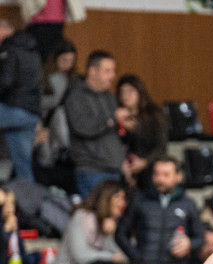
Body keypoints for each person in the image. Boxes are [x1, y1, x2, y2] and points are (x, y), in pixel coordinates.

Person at [114, 156, 202, 264]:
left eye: (166, 174)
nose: (160, 179)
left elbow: (200, 237)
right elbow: (120, 234)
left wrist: (189, 244)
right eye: (157, 174)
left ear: (178, 176)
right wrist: (136, 257)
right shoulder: (139, 201)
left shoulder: (188, 204)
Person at [65, 49, 125, 198]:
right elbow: (82, 127)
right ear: (92, 71)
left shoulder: (109, 97)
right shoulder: (76, 97)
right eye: (107, 71)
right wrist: (111, 119)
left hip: (114, 169)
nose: (113, 76)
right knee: (95, 218)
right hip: (92, 170)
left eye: (113, 71)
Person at [0, 19, 42, 181]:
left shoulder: (9, 48)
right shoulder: (32, 51)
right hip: (31, 113)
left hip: (14, 108)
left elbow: (5, 81)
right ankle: (29, 202)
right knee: (23, 166)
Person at [116, 74, 167, 193]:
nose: (126, 96)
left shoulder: (155, 115)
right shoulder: (117, 115)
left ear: (140, 92)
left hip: (149, 168)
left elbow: (161, 146)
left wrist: (144, 162)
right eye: (122, 92)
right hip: (125, 169)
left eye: (130, 91)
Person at [39, 37, 75, 117]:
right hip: (45, 117)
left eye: (71, 61)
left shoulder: (73, 77)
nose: (67, 65)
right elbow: (37, 101)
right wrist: (58, 100)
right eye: (64, 60)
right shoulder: (44, 75)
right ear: (55, 58)